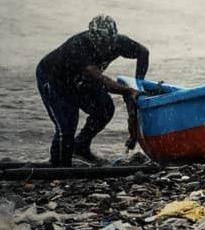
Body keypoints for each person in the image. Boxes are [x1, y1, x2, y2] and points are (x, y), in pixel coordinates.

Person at [36, 14, 149, 166]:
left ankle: (81, 147)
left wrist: (138, 84)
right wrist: (129, 91)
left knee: (105, 109)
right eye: (101, 43)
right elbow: (104, 81)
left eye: (109, 42)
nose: (105, 48)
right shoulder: (78, 47)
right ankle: (60, 164)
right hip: (54, 79)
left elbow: (143, 52)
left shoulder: (119, 43)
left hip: (81, 79)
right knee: (67, 124)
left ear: (114, 37)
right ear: (92, 38)